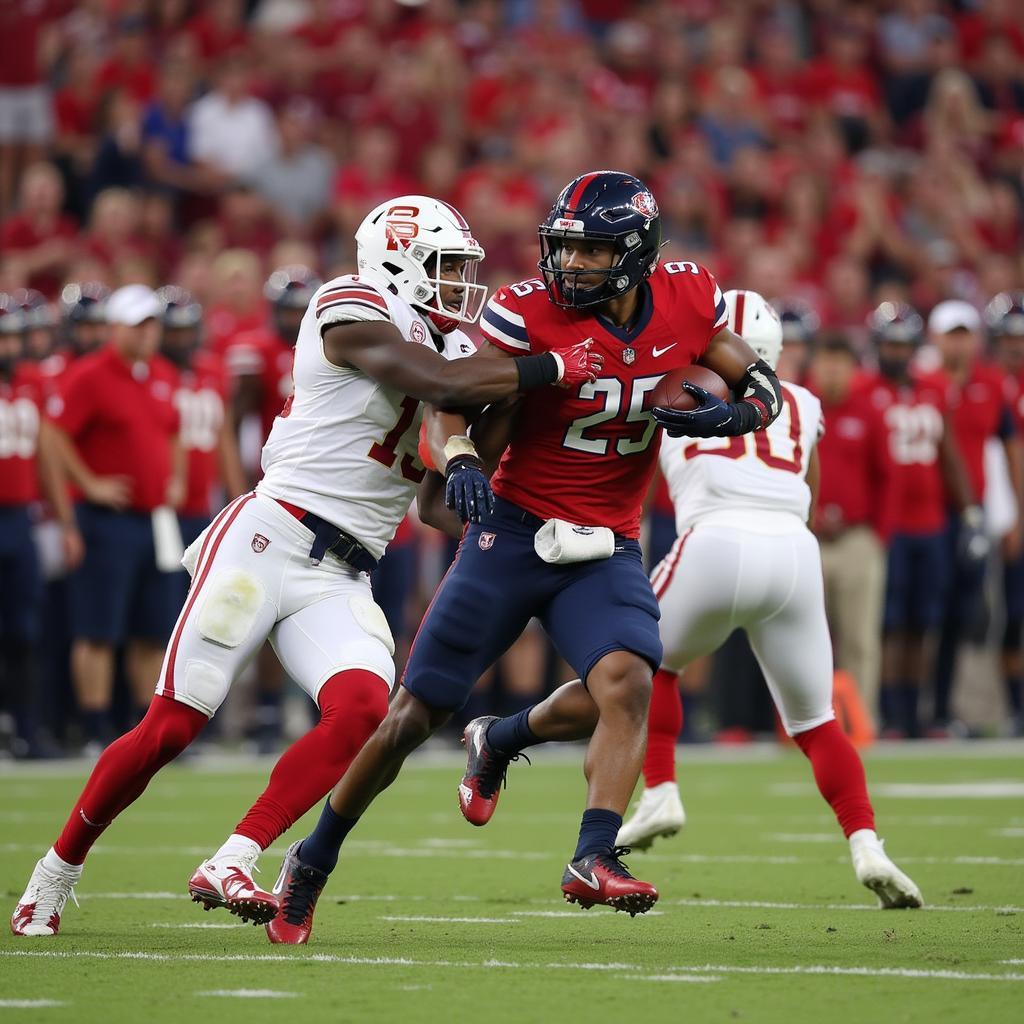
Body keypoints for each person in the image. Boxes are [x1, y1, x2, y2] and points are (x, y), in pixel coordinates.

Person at [11, 195, 598, 937]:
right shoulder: (350, 302)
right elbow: (440, 383)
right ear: (399, 259)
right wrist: (553, 364)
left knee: (358, 711)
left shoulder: (453, 353)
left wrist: (512, 509)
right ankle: (53, 875)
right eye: (447, 267)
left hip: (343, 569)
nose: (460, 284)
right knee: (172, 724)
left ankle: (234, 856)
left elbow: (433, 505)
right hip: (270, 537)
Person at [267, 171, 784, 944]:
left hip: (606, 539)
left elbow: (763, 382)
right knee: (412, 717)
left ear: (636, 254)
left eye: (590, 252)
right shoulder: (523, 310)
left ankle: (588, 847)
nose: (568, 266)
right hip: (510, 531)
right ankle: (311, 861)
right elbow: (447, 407)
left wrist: (734, 411)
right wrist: (462, 462)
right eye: (565, 248)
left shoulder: (686, 296)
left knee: (628, 682)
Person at [610, 289, 921, 909]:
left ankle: (662, 792)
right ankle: (867, 844)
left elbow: (633, 473)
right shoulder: (802, 401)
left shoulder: (670, 382)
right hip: (793, 552)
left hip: (715, 541)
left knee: (638, 663)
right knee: (817, 723)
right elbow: (807, 484)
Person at [865, 303, 978, 738]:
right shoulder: (865, 389)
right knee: (889, 623)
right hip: (888, 525)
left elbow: (949, 452)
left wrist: (969, 510)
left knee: (922, 622)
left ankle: (916, 712)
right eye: (890, 343)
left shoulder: (933, 388)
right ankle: (891, 713)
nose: (896, 351)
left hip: (931, 523)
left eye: (903, 344)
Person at [928, 300, 1021, 735]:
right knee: (930, 611)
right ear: (936, 337)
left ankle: (963, 708)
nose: (959, 342)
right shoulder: (921, 381)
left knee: (972, 613)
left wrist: (1016, 514)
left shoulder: (991, 384)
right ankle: (932, 709)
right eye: (952, 333)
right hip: (928, 513)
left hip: (975, 512)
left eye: (965, 333)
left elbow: (1011, 448)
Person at [810, 331, 895, 728]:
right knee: (808, 637)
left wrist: (878, 535)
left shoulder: (869, 412)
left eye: (840, 362)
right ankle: (810, 721)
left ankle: (863, 722)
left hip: (857, 538)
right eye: (826, 361)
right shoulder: (804, 409)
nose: (832, 370)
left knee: (860, 637)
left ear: (853, 369)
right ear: (816, 366)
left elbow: (887, 477)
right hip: (808, 538)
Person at [989, 291, 1024, 735]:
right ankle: (1015, 709)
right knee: (1011, 615)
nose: (1016, 344)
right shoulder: (993, 385)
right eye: (1009, 336)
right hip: (1005, 512)